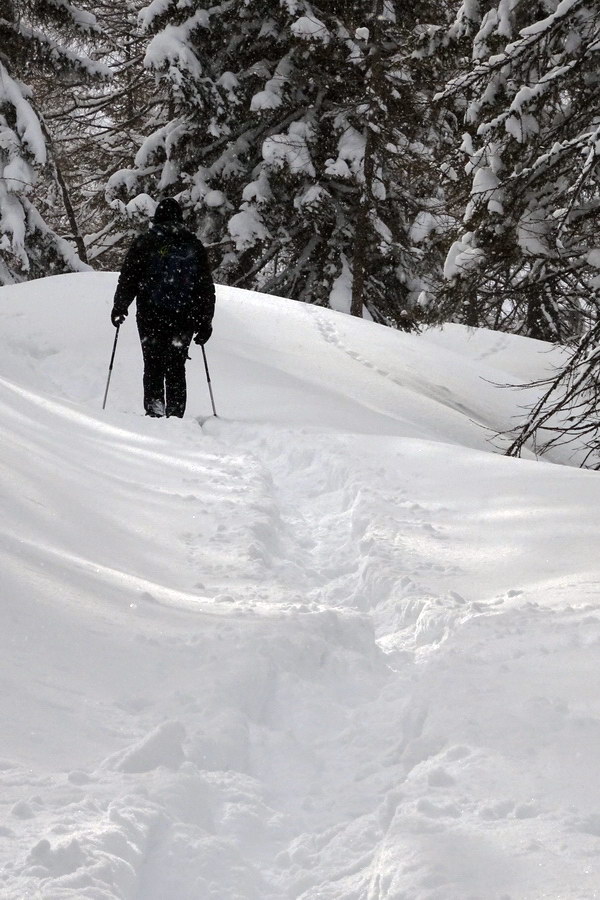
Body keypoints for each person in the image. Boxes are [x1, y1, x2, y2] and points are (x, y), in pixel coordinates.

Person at [111, 198, 215, 418]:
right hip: (183, 317)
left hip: (150, 314)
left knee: (153, 363)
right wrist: (205, 321)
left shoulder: (145, 242)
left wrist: (120, 306)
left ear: (157, 218)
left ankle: (155, 410)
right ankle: (176, 414)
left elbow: (129, 277)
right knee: (176, 366)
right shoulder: (192, 246)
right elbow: (205, 287)